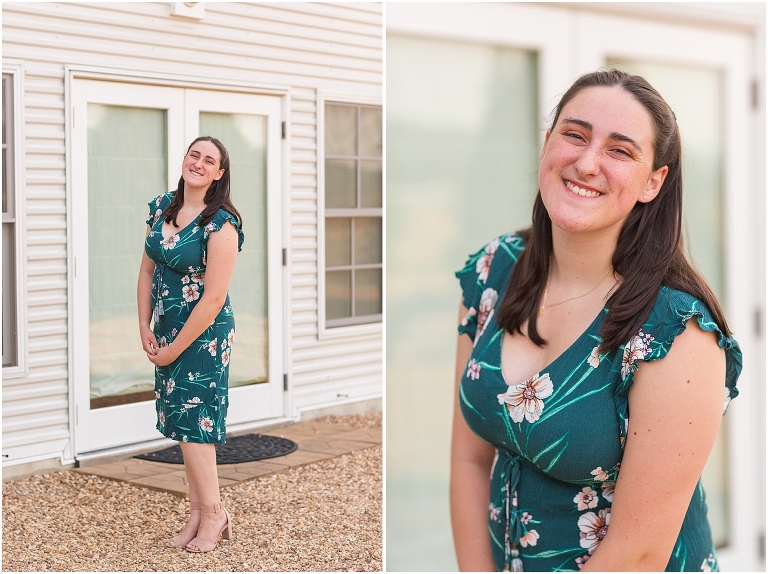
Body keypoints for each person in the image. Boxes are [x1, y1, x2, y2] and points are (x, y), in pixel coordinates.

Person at [451, 70, 741, 572]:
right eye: (575, 135)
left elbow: (639, 554)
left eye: (620, 150)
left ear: (654, 181)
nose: (586, 164)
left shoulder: (676, 333)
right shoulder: (495, 270)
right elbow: (468, 461)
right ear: (547, 143)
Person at [137, 136, 244, 553]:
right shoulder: (162, 206)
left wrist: (174, 348)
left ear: (219, 173)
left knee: (195, 423)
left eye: (209, 160)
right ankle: (198, 513)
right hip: (166, 330)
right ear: (184, 160)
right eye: (194, 155)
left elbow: (214, 298)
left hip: (203, 336)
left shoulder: (221, 224)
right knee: (183, 424)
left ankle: (215, 513)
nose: (198, 163)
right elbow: (147, 271)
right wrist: (144, 324)